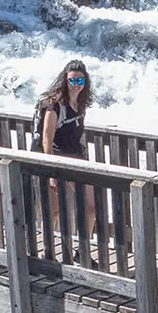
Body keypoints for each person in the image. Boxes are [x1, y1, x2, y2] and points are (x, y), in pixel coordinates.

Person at [34, 59, 97, 245]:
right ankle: (47, 250)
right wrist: (51, 172)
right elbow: (47, 140)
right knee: (53, 211)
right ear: (65, 80)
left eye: (80, 80)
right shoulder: (54, 106)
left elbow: (78, 132)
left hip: (76, 159)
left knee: (91, 207)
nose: (76, 85)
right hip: (56, 161)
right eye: (72, 80)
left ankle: (82, 250)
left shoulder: (81, 103)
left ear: (85, 82)